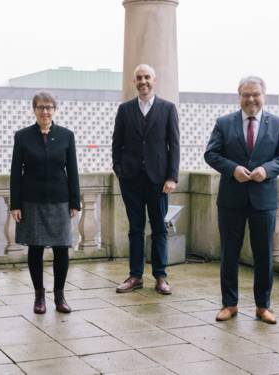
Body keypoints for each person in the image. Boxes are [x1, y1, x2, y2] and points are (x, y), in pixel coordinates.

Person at [204, 76, 279, 324]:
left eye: (255, 94)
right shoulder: (224, 123)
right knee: (229, 254)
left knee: (264, 255)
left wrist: (266, 170)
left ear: (263, 96)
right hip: (231, 199)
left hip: (263, 200)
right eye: (246, 95)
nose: (251, 99)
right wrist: (232, 169)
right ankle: (229, 304)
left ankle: (263, 306)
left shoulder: (277, 124)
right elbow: (211, 154)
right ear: (239, 97)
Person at [112, 64, 180, 295]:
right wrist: (119, 170)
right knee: (135, 229)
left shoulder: (168, 109)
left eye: (147, 77)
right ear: (134, 82)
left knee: (159, 228)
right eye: (139, 77)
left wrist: (172, 177)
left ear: (155, 80)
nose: (143, 81)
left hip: (158, 180)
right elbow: (116, 143)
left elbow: (174, 145)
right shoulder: (125, 110)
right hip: (131, 179)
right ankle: (135, 276)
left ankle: (160, 277)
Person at [10, 91, 80, 314]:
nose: (45, 111)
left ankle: (59, 296)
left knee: (61, 249)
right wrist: (15, 204)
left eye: (49, 107)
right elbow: (15, 173)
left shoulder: (66, 135)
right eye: (41, 107)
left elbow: (73, 170)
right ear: (34, 110)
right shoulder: (22, 137)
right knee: (36, 248)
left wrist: (74, 201)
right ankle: (39, 297)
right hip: (32, 200)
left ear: (55, 110)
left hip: (60, 199)